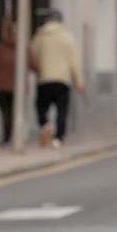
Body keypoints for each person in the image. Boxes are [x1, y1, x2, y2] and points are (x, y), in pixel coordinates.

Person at [30, 9, 83, 148]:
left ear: (47, 21)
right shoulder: (68, 37)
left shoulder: (39, 36)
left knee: (41, 107)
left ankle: (46, 124)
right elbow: (75, 61)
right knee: (62, 110)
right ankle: (58, 138)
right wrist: (79, 81)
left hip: (44, 79)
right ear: (61, 21)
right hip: (62, 80)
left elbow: (32, 57)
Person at [0, 19, 36, 146]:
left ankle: (7, 136)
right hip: (18, 87)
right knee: (16, 111)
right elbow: (34, 65)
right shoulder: (24, 48)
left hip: (1, 86)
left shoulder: (0, 49)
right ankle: (14, 135)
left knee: (5, 112)